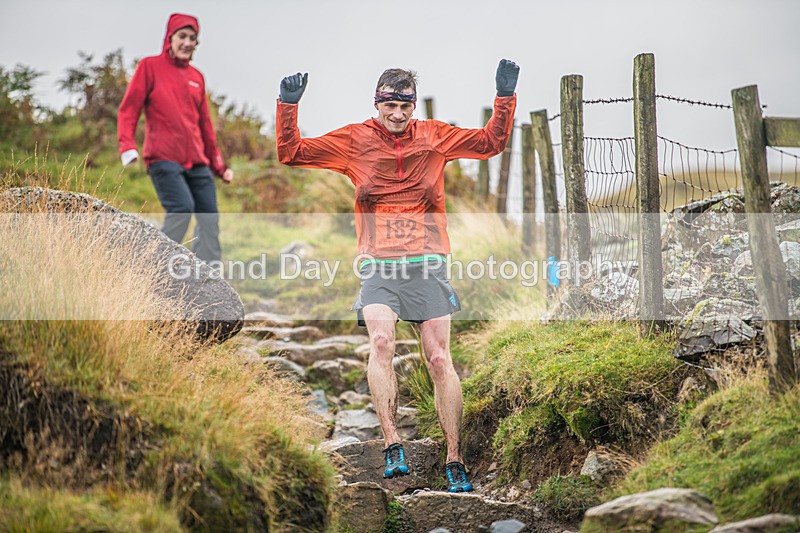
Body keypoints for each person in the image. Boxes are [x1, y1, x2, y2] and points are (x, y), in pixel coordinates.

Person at [276, 59, 519, 493]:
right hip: (378, 263)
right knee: (382, 341)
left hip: (428, 261)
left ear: (412, 107)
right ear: (377, 103)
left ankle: (454, 457)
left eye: (404, 106)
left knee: (439, 358)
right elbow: (291, 153)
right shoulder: (354, 140)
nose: (397, 114)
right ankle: (392, 444)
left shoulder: (435, 136)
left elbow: (491, 142)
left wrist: (504, 96)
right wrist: (287, 105)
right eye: (389, 105)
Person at [117, 12, 234, 263]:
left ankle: (209, 283)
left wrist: (219, 166)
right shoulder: (149, 67)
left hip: (197, 161)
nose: (188, 43)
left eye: (193, 38)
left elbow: (205, 127)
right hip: (163, 158)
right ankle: (151, 272)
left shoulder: (196, 77)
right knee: (181, 209)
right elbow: (129, 109)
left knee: (209, 218)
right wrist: (127, 146)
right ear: (170, 38)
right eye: (182, 36)